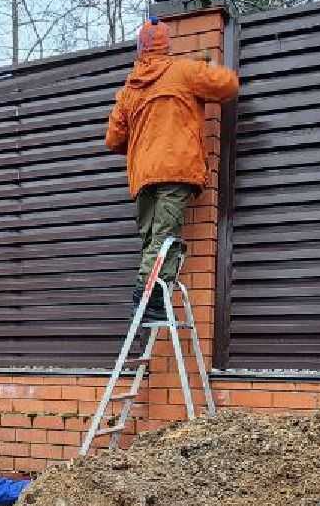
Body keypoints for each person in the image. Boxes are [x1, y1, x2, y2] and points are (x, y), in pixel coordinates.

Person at [103, 17, 241, 321]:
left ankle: (151, 298)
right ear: (166, 44)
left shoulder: (129, 89)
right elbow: (228, 84)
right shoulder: (183, 71)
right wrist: (206, 68)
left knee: (153, 239)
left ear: (140, 48)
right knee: (164, 238)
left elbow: (113, 139)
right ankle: (147, 298)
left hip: (143, 178)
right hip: (175, 169)